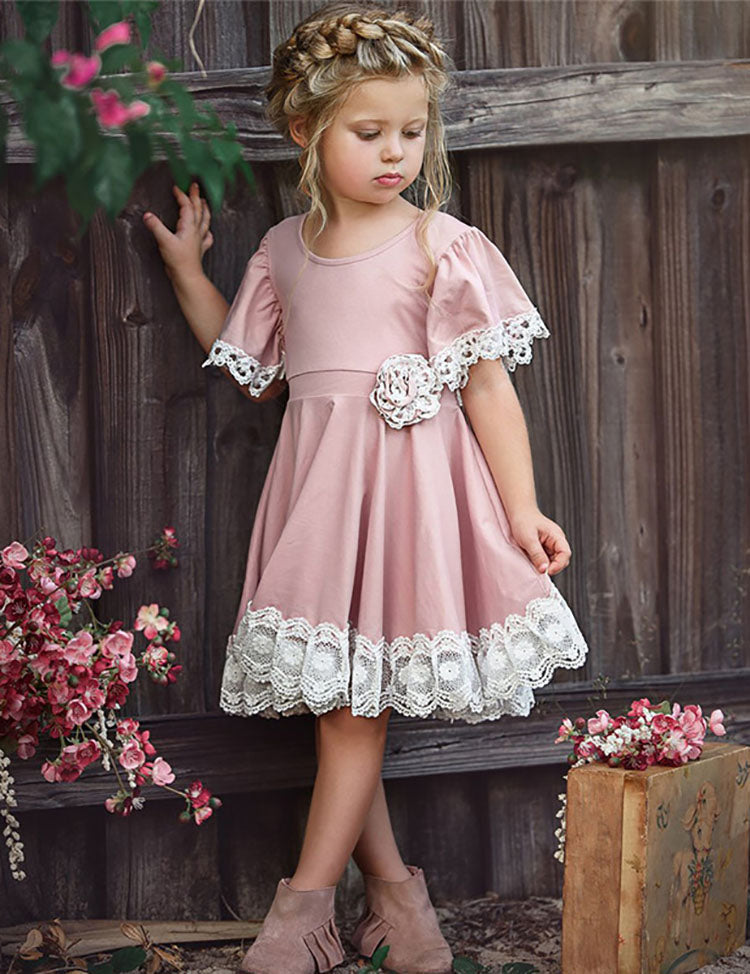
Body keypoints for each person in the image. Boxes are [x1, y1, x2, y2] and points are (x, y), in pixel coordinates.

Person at [143, 3, 590, 972]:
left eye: (412, 132)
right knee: (346, 700)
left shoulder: (439, 243)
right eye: (370, 131)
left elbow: (488, 388)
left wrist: (521, 507)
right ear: (306, 129)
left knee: (354, 711)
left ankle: (304, 909)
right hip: (321, 505)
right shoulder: (283, 251)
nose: (397, 153)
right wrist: (186, 272)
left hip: (410, 503)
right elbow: (251, 367)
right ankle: (395, 899)